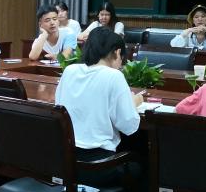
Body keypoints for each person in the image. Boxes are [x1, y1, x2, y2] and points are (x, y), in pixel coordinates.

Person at [55, 27, 143, 158]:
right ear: (117, 52)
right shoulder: (114, 76)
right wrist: (133, 103)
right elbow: (128, 126)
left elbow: (58, 106)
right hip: (98, 159)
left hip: (65, 154)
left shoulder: (70, 70)